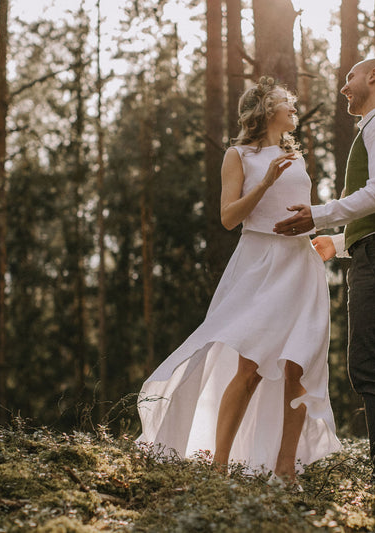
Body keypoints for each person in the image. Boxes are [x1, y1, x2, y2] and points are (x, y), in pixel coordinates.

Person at [138, 77, 341, 485]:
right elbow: (229, 218)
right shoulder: (238, 155)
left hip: (301, 266)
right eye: (287, 102)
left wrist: (325, 236)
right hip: (260, 266)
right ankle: (219, 467)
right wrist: (264, 181)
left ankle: (286, 470)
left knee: (298, 370)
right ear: (267, 110)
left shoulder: (296, 157)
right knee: (248, 366)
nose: (294, 108)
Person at [274, 58, 375, 486]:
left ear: (373, 76)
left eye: (349, 78)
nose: (344, 88)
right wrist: (339, 244)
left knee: (370, 370)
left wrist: (317, 217)